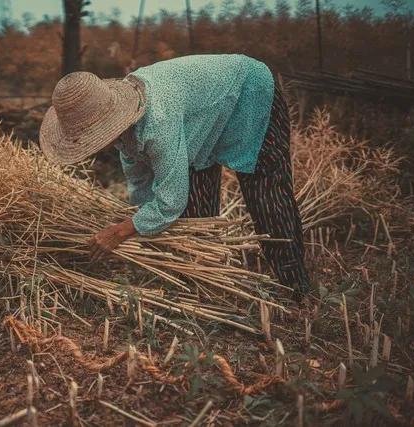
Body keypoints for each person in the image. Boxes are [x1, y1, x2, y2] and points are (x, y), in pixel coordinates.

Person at [38, 54, 311, 297]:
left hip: (246, 91)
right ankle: (204, 286)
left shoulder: (157, 124)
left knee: (265, 196)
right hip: (200, 112)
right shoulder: (125, 128)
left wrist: (121, 231)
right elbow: (141, 183)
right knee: (195, 212)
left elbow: (170, 201)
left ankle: (297, 288)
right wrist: (139, 221)